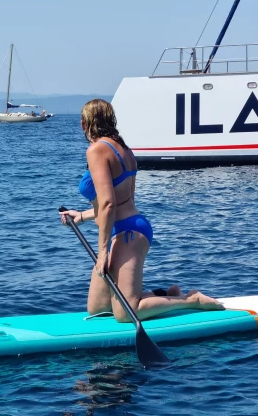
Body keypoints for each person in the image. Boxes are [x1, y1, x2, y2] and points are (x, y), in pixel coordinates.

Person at [60, 98, 223, 322]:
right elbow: (122, 200)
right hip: (130, 225)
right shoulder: (125, 150)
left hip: (128, 232)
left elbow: (108, 204)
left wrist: (103, 252)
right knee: (97, 307)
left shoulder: (96, 150)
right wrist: (82, 216)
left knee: (127, 312)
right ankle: (167, 294)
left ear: (83, 124)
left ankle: (191, 299)